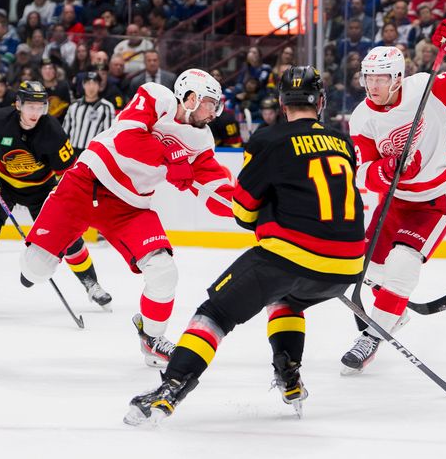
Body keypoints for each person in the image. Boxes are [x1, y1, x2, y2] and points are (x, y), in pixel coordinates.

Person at [123, 66, 365, 426]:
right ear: (322, 102)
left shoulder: (268, 140)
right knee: (286, 301)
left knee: (214, 314)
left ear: (282, 104)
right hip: (347, 266)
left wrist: (266, 210)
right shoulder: (343, 142)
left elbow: (243, 211)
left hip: (289, 255)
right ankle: (290, 377)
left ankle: (171, 387)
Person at [18, 70, 235, 368]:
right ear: (191, 97)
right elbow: (126, 140)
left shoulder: (202, 142)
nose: (215, 111)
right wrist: (172, 157)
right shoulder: (155, 96)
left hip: (130, 207)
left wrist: (251, 208)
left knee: (163, 272)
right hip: (86, 183)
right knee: (35, 269)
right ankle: (59, 245)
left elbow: (215, 191)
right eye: (211, 103)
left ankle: (152, 338)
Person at [339, 20, 446, 374]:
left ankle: (371, 337)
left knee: (403, 266)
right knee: (365, 273)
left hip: (436, 199)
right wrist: (389, 170)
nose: (372, 86)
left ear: (397, 78)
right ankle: (396, 311)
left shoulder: (425, 89)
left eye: (380, 78)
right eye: (368, 78)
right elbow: (364, 172)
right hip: (396, 202)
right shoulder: (362, 117)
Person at [0, 81, 111, 313]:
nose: (35, 113)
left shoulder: (52, 132)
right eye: (30, 107)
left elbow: (70, 174)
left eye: (40, 107)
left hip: (40, 190)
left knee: (68, 238)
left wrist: (65, 203)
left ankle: (91, 284)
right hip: (0, 185)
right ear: (18, 105)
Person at [63, 70, 116, 153]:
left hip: (92, 153)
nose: (91, 87)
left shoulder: (106, 107)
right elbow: (65, 131)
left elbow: (109, 135)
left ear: (99, 86)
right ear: (83, 85)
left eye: (94, 83)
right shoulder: (74, 106)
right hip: (72, 152)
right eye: (88, 83)